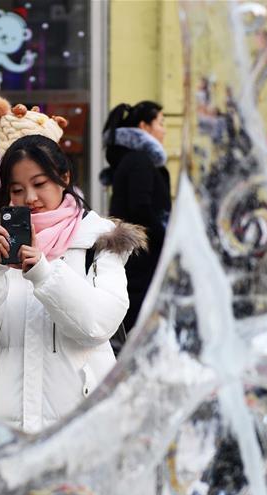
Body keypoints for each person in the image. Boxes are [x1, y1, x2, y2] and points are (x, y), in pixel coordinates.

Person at [0, 129, 145, 434]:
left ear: (64, 177)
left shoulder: (100, 242)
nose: (29, 198)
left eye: (39, 184)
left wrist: (43, 271)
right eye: (16, 189)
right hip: (8, 426)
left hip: (81, 426)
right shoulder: (3, 248)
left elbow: (97, 325)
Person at [100, 100, 171, 333]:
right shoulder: (140, 161)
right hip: (143, 255)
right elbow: (141, 207)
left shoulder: (136, 160)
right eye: (160, 123)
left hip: (140, 252)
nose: (164, 129)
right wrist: (166, 237)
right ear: (144, 126)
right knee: (139, 319)